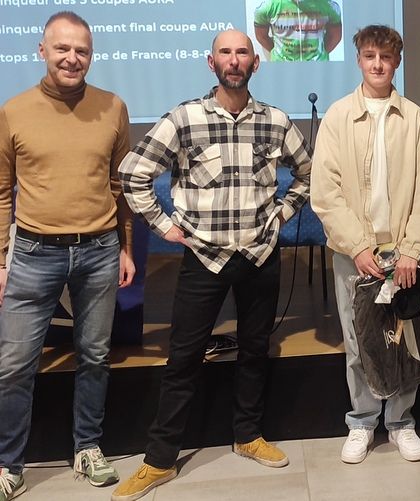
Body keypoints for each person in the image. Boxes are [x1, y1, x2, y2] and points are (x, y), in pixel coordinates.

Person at [112, 29, 312, 500]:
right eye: (226, 52)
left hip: (260, 254)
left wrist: (281, 214)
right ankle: (160, 460)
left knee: (255, 350)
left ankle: (247, 436)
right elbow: (132, 173)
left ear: (255, 63)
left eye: (242, 52)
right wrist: (163, 226)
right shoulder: (184, 119)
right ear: (211, 62)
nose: (234, 59)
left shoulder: (277, 121)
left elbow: (308, 174)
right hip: (205, 257)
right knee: (183, 358)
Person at [0, 11, 136, 499]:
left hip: (99, 250)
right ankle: (8, 462)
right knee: (14, 363)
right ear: (42, 51)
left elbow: (121, 185)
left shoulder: (113, 106)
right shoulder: (14, 110)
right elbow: (1, 191)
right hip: (33, 252)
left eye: (81, 50)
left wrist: (124, 247)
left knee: (95, 356)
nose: (72, 58)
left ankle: (87, 448)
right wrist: (2, 259)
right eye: (62, 49)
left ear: (91, 55)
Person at [311, 25, 420, 464]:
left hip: (401, 250)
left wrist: (411, 251)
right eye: (369, 56)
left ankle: (401, 422)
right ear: (359, 60)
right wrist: (358, 246)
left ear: (397, 62)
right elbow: (325, 192)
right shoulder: (339, 116)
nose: (378, 64)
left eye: (385, 57)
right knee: (358, 340)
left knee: (405, 337)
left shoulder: (415, 117)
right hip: (354, 253)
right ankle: (362, 420)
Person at [253, 0, 342, 61]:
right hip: (281, 67)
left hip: (318, 67)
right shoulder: (267, 7)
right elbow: (261, 36)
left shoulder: (329, 6)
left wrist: (317, 57)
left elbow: (335, 36)